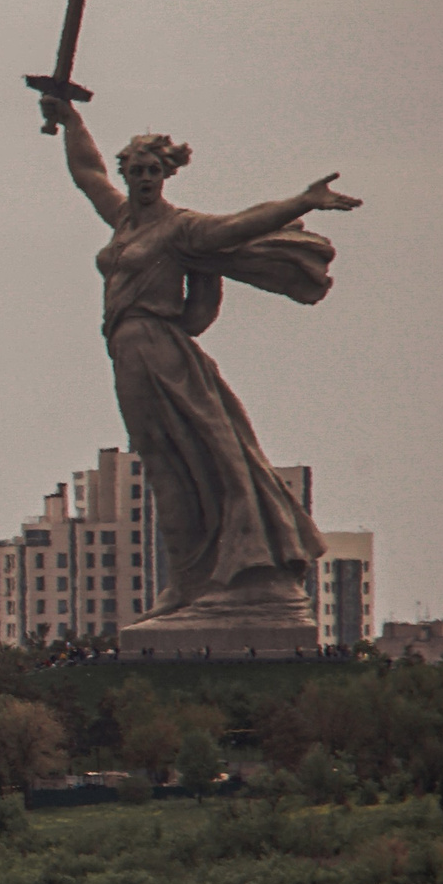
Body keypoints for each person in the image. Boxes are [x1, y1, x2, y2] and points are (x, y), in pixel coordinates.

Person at [39, 95, 362, 624]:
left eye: (152, 170)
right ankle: (186, 584)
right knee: (162, 466)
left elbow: (239, 227)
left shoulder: (180, 228)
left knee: (209, 458)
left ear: (166, 175)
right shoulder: (122, 219)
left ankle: (240, 571)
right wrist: (72, 119)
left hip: (164, 353)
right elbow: (86, 171)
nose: (144, 178)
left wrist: (302, 201)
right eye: (136, 169)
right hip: (125, 353)